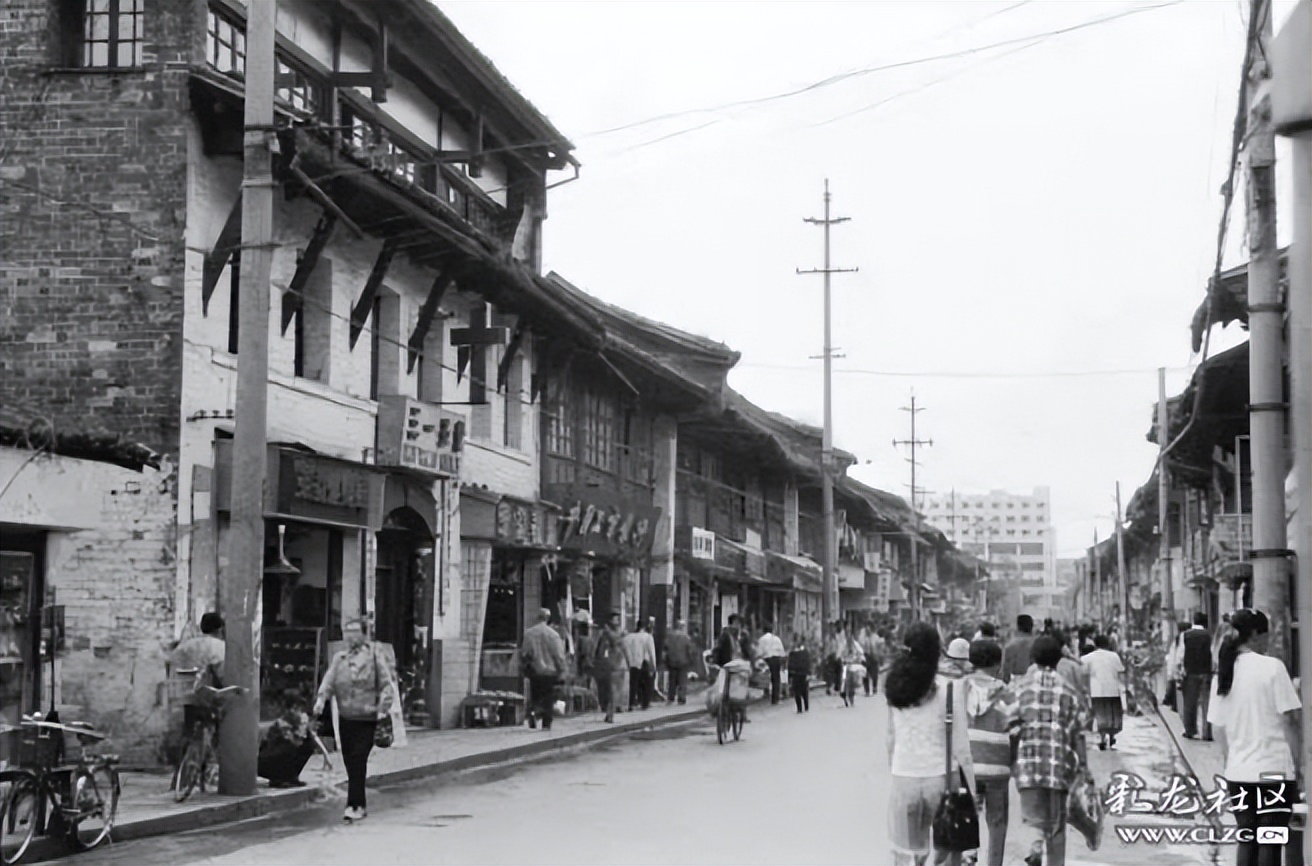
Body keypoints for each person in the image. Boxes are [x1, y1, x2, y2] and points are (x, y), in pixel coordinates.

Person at [1207, 609, 1302, 866]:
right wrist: (1298, 768)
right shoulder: (1272, 668)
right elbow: (1289, 723)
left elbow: (1217, 728)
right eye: (1267, 634)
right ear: (1257, 635)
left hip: (1239, 773)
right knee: (1269, 843)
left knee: (1247, 840)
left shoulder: (1224, 672)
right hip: (1274, 771)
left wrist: (1231, 761)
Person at [885, 623, 975, 866]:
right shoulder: (948, 689)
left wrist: (895, 773)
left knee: (907, 855)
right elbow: (961, 748)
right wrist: (973, 791)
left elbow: (890, 739)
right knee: (949, 852)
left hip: (904, 778)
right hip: (941, 779)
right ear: (937, 651)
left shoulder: (895, 689)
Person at [1007, 635, 1091, 866]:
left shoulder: (1020, 687)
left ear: (1033, 658)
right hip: (1059, 767)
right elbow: (1078, 733)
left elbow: (1012, 727)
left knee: (1032, 820)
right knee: (1056, 825)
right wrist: (1083, 767)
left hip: (1029, 766)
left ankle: (1034, 848)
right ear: (1058, 660)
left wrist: (1012, 762)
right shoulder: (1068, 691)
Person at [313, 617, 395, 822]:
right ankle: (358, 803)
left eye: (354, 631)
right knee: (350, 760)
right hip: (346, 716)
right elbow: (329, 681)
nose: (349, 636)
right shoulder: (339, 658)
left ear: (364, 633)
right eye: (346, 631)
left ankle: (354, 804)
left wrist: (384, 707)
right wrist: (321, 699)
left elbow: (386, 684)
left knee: (358, 758)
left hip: (367, 717)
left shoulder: (375, 656)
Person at [964, 639, 1016, 866]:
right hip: (997, 768)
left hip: (966, 767)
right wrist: (1011, 762)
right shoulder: (1007, 693)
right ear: (998, 664)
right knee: (997, 821)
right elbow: (1016, 732)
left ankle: (967, 857)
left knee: (966, 816)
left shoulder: (958, 689)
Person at [169, 612, 227, 739]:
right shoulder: (220, 647)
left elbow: (171, 663)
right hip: (208, 698)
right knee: (214, 736)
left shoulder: (185, 646)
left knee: (188, 734)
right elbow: (223, 676)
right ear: (220, 629)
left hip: (184, 698)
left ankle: (184, 755)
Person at [521, 608, 568, 731]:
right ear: (548, 619)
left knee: (536, 696)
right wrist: (563, 671)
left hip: (535, 672)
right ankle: (545, 723)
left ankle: (533, 712)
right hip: (550, 672)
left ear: (538, 618)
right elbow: (559, 656)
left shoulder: (528, 633)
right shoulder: (553, 635)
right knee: (548, 699)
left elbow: (525, 653)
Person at [1082, 634, 1126, 750]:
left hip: (1097, 690)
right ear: (1107, 644)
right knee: (1112, 715)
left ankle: (1102, 738)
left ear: (1095, 644)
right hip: (1112, 689)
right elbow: (1121, 670)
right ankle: (1112, 737)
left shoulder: (1089, 657)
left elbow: (1083, 670)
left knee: (1100, 715)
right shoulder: (1114, 656)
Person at [1180, 612, 1214, 740]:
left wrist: (1181, 669)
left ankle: (1190, 730)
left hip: (1191, 672)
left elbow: (1181, 654)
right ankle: (1206, 733)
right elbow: (1212, 653)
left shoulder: (1186, 635)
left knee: (1190, 702)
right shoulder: (1208, 635)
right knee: (1206, 703)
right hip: (1205, 671)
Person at [591, 612, 627, 724]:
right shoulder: (609, 634)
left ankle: (610, 712)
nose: (617, 622)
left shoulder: (607, 634)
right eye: (615, 619)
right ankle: (610, 711)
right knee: (610, 690)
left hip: (612, 665)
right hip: (611, 665)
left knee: (610, 690)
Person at [622, 619, 657, 711]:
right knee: (646, 683)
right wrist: (653, 666)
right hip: (644, 662)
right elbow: (651, 652)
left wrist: (628, 661)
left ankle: (632, 703)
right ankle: (644, 703)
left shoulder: (628, 637)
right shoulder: (648, 637)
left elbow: (625, 650)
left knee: (633, 684)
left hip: (633, 663)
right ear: (645, 627)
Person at [662, 619, 695, 705]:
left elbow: (665, 648)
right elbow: (689, 650)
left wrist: (666, 660)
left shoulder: (670, 636)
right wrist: (691, 660)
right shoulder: (686, 637)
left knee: (672, 680)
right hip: (683, 661)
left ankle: (671, 697)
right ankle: (681, 698)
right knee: (682, 680)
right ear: (682, 627)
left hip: (672, 661)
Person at [1001, 614, 1036, 684]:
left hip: (1015, 683)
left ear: (1018, 626)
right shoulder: (1038, 644)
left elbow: (1005, 671)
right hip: (1034, 682)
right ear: (1032, 626)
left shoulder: (1009, 646)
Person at [756, 623, 786, 704]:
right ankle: (775, 699)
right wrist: (783, 661)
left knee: (765, 677)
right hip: (776, 659)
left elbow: (759, 652)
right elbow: (782, 651)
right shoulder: (776, 639)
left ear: (763, 631)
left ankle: (766, 693)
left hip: (767, 659)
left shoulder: (761, 639)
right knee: (776, 679)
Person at [839, 630, 866, 707]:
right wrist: (842, 660)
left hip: (853, 666)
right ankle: (844, 695)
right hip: (845, 666)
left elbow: (861, 652)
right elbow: (840, 654)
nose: (849, 639)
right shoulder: (844, 645)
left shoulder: (855, 644)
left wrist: (858, 658)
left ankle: (851, 698)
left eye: (850, 637)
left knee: (852, 683)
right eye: (848, 637)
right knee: (844, 681)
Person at [787, 633, 813, 713]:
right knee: (797, 691)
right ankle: (800, 707)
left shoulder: (804, 652)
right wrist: (789, 675)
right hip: (797, 674)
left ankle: (804, 706)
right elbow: (790, 664)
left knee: (803, 691)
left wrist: (809, 673)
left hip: (802, 673)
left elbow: (808, 663)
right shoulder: (793, 653)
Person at [859, 621, 884, 696]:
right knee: (865, 673)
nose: (867, 629)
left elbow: (879, 647)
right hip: (865, 656)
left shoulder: (875, 637)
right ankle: (866, 690)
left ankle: (874, 687)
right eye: (866, 627)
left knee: (874, 673)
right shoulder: (862, 638)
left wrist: (879, 656)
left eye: (869, 627)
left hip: (873, 657)